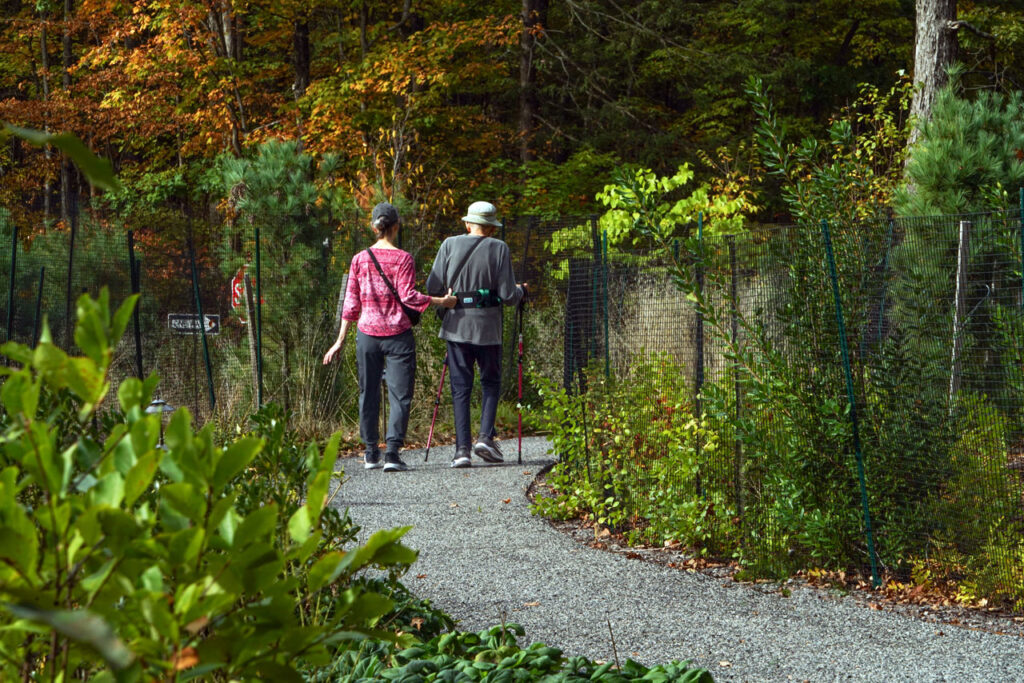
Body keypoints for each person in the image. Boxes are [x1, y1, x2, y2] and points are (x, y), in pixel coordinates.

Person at [323, 202, 456, 472]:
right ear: (395, 227)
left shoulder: (359, 259)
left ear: (374, 227)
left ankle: (371, 453)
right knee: (400, 395)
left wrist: (339, 341)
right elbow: (408, 296)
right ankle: (392, 454)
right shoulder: (404, 259)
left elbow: (351, 303)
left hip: (367, 335)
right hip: (398, 336)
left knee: (367, 393)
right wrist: (442, 300)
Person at [426, 201, 526, 469]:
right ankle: (484, 437)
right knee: (490, 382)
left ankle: (461, 451)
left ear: (468, 224)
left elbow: (432, 286)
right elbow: (507, 296)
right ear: (492, 228)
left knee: (461, 388)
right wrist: (521, 292)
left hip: (456, 327)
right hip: (488, 330)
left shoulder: (448, 244)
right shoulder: (500, 248)